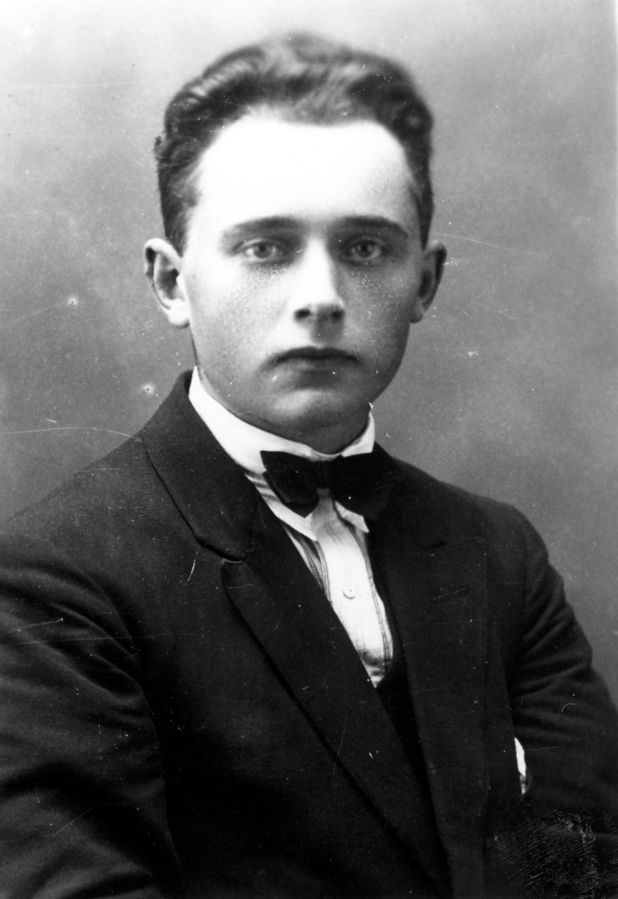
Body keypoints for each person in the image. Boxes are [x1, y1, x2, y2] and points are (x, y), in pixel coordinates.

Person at [0, 32, 616, 899]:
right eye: (266, 248)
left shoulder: (499, 552)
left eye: (365, 248)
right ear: (172, 283)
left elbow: (585, 869)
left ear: (425, 281)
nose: (321, 297)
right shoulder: (55, 577)